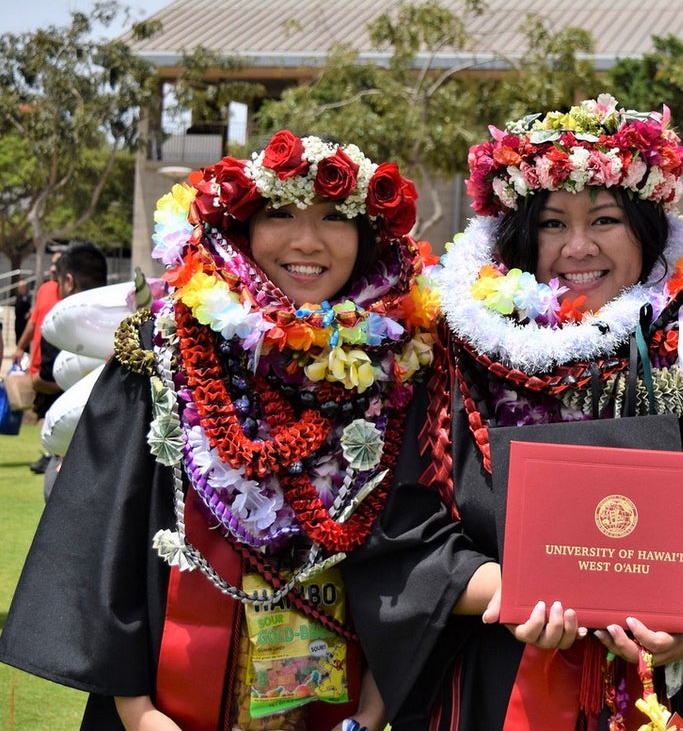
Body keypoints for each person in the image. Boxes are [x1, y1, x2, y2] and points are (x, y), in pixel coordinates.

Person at [346, 95, 683, 730]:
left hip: (678, 692)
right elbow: (404, 535)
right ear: (520, 236)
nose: (578, 248)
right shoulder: (457, 355)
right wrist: (505, 587)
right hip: (498, 688)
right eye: (552, 224)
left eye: (605, 219)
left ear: (646, 227)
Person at [0, 130, 432, 731]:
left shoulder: (395, 369)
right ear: (242, 227)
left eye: (336, 217)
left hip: (331, 707)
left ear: (365, 238)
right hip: (163, 707)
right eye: (280, 212)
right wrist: (138, 712)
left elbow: (407, 542)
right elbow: (108, 532)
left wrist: (376, 704)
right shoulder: (167, 347)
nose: (308, 240)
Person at [37, 241, 109, 497]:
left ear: (68, 281)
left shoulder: (60, 326)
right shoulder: (124, 320)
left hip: (69, 457)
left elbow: (47, 378)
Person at [15, 251, 62, 473]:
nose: (53, 269)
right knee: (43, 412)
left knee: (55, 413)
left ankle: (53, 456)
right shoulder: (44, 289)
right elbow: (33, 322)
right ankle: (49, 454)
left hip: (58, 367)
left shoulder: (69, 294)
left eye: (57, 265)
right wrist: (20, 347)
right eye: (51, 264)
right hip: (38, 365)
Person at [12, 277, 32, 346]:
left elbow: (32, 307)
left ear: (24, 287)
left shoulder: (28, 296)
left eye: (20, 287)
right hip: (18, 321)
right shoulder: (18, 296)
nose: (19, 288)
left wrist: (29, 313)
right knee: (17, 337)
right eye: (18, 287)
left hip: (25, 322)